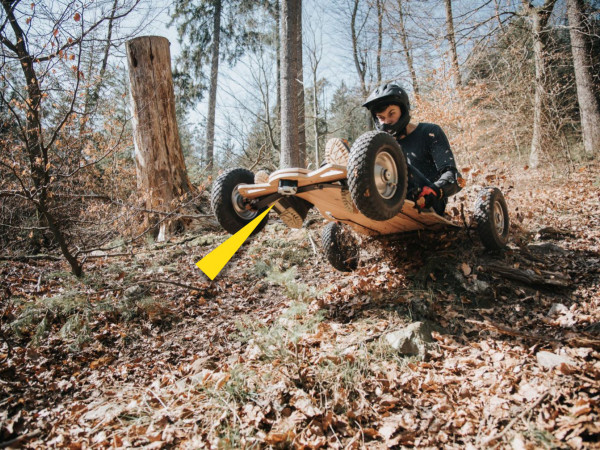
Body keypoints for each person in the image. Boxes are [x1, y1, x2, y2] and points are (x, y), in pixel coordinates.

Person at [362, 83, 463, 215]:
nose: (386, 121)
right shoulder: (382, 146)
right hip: (388, 200)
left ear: (403, 110)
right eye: (381, 118)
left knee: (398, 164)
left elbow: (454, 177)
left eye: (391, 113)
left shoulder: (429, 132)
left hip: (429, 201)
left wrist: (436, 190)